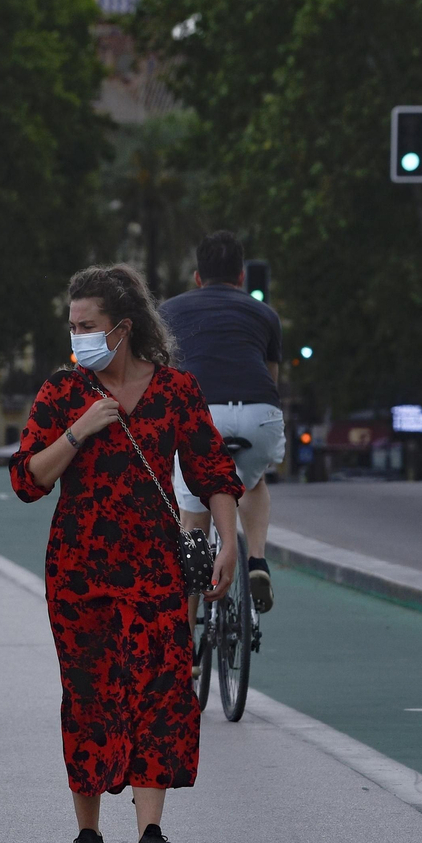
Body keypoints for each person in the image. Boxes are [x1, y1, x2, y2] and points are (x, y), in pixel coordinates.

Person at [9, 264, 242, 843]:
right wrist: (79, 431)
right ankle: (88, 835)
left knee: (161, 689)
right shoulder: (64, 392)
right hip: (78, 569)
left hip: (155, 565)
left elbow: (213, 469)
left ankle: (149, 837)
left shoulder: (175, 389)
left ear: (123, 328)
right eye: (72, 325)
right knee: (89, 694)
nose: (77, 336)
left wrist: (227, 542)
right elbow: (27, 479)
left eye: (88, 326)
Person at [160, 231, 284, 612]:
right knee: (253, 481)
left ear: (198, 277)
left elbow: (162, 377)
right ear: (241, 277)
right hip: (259, 414)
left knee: (193, 523)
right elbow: (272, 380)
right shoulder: (265, 314)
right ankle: (257, 560)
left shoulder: (169, 311)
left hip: (202, 413)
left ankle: (186, 640)